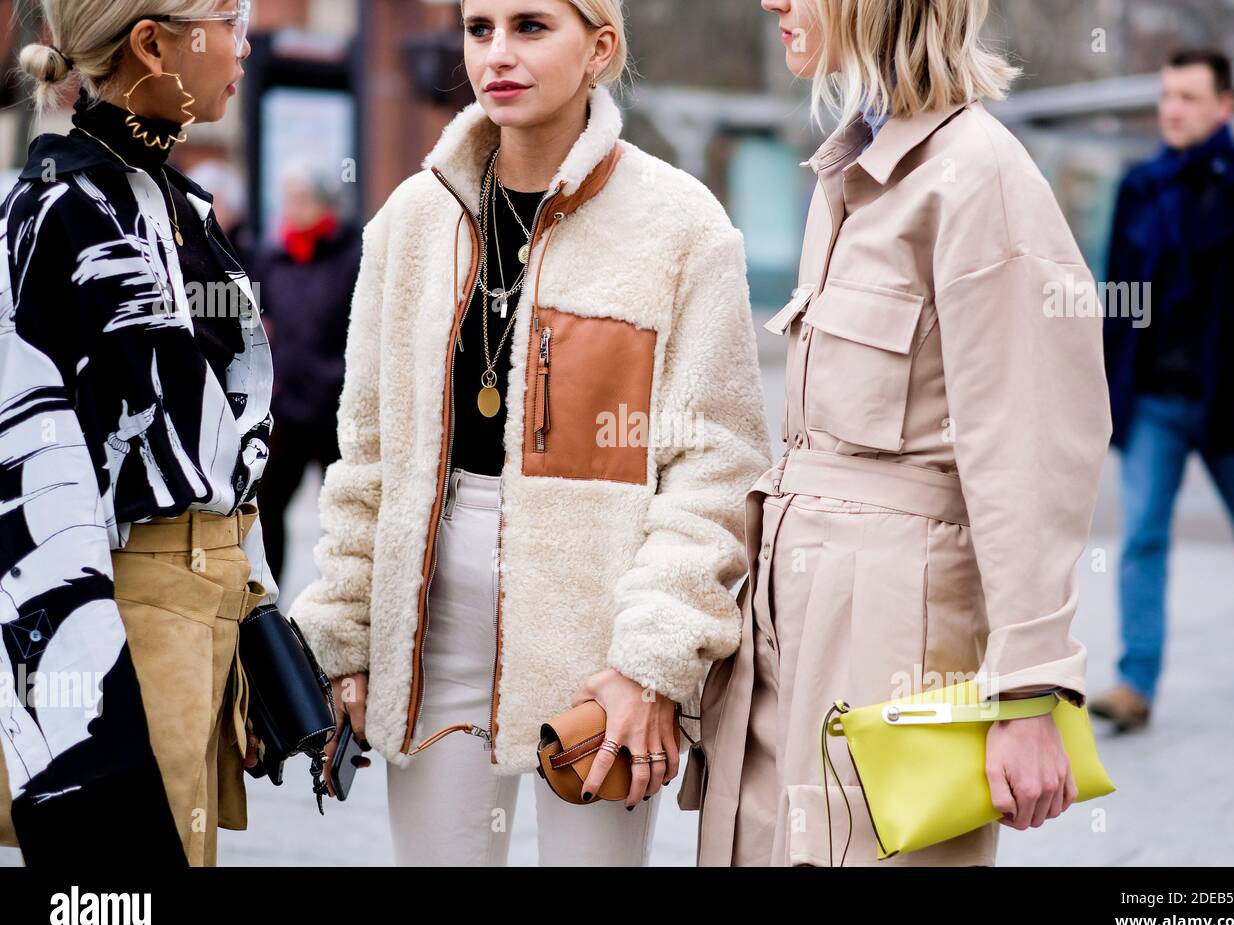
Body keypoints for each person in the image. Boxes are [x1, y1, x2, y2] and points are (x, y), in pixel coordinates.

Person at [288, 0, 770, 866]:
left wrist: (653, 658)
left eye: (531, 26)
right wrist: (347, 638)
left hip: (600, 632)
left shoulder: (683, 227)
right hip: (427, 628)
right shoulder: (411, 220)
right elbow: (364, 456)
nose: (498, 54)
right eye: (481, 29)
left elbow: (713, 468)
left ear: (601, 48)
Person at [693, 0, 1112, 867]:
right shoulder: (845, 170)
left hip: (895, 642)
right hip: (789, 622)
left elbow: (1031, 447)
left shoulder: (982, 177)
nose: (773, 1)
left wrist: (1030, 693)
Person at [0, 0, 275, 866]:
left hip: (204, 601)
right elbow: (30, 472)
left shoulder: (169, 201)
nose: (246, 38)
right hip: (123, 613)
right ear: (154, 43)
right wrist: (82, 704)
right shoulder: (57, 212)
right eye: (230, 15)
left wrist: (259, 603)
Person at [1094, 49, 1234, 731]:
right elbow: (1117, 295)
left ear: (1225, 106)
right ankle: (1135, 683)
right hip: (1153, 397)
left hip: (1230, 399)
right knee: (1143, 536)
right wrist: (1096, 384)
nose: (1172, 109)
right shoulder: (1141, 186)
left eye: (1188, 96)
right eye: (1166, 95)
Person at [254, 164, 362, 581]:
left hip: (337, 407)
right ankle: (269, 601)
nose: (290, 209)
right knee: (267, 504)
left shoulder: (353, 255)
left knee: (341, 513)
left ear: (324, 204)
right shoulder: (274, 256)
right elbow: (255, 317)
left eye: (300, 199)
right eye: (288, 199)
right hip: (287, 404)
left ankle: (340, 596)